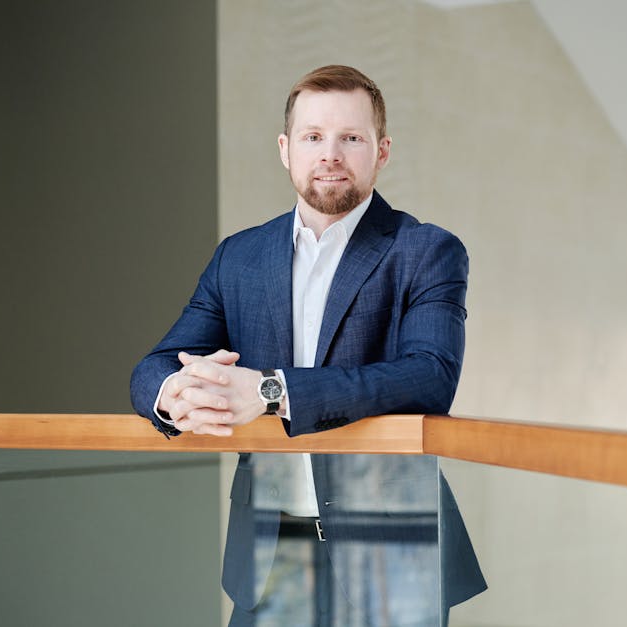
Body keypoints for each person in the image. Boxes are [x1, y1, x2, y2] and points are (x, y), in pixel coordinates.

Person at [131, 65, 485, 626]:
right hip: (269, 550)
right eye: (313, 137)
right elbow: (154, 366)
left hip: (391, 552)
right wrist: (175, 392)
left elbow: (430, 377)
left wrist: (270, 391)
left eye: (351, 137)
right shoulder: (238, 257)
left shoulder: (427, 251)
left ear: (382, 150)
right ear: (285, 149)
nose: (331, 154)